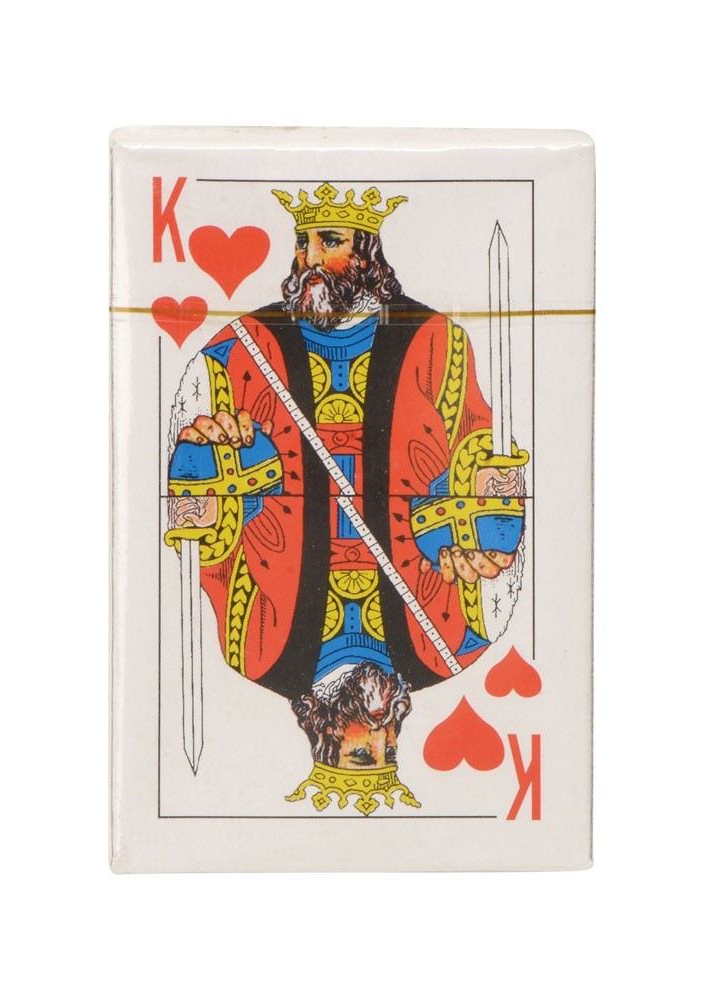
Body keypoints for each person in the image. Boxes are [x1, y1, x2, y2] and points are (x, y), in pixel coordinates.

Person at [165, 183, 527, 812]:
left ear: (367, 252)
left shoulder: (257, 657)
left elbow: (483, 460)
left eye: (327, 241)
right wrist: (209, 448)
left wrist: (207, 462)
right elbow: (204, 537)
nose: (308, 260)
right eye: (303, 244)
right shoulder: (448, 650)